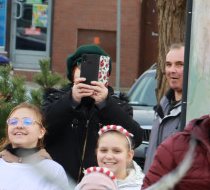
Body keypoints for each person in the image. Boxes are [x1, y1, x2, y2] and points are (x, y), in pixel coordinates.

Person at [42, 44, 141, 181]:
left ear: (105, 73)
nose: (88, 73)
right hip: (59, 185)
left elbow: (135, 138)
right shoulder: (55, 100)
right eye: (81, 67)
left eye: (97, 68)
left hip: (99, 187)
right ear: (72, 72)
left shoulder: (118, 105)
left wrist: (105, 104)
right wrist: (71, 101)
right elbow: (41, 130)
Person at [144, 43, 185, 172]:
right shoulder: (162, 109)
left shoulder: (196, 111)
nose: (172, 70)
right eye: (168, 64)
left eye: (179, 64)